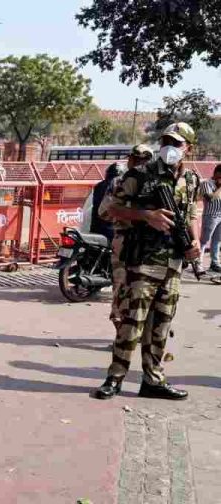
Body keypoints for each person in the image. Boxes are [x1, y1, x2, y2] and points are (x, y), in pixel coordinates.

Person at [93, 123, 200, 401]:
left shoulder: (191, 180)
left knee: (161, 324)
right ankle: (115, 378)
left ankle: (153, 380)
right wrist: (146, 216)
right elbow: (110, 209)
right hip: (143, 260)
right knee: (132, 322)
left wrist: (195, 242)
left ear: (188, 148)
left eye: (176, 143)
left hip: (173, 264)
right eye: (165, 141)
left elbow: (190, 215)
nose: (169, 147)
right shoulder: (139, 174)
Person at [96, 144, 153, 329]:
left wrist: (123, 214)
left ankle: (122, 334)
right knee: (145, 291)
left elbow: (103, 213)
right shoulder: (159, 182)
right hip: (151, 246)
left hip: (125, 243)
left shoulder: (119, 182)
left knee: (121, 290)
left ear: (130, 160)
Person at [197, 164, 221, 273]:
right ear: (217, 173)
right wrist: (220, 188)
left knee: (217, 240)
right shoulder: (206, 183)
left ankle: (214, 263)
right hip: (211, 215)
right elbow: (210, 198)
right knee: (204, 240)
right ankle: (198, 264)